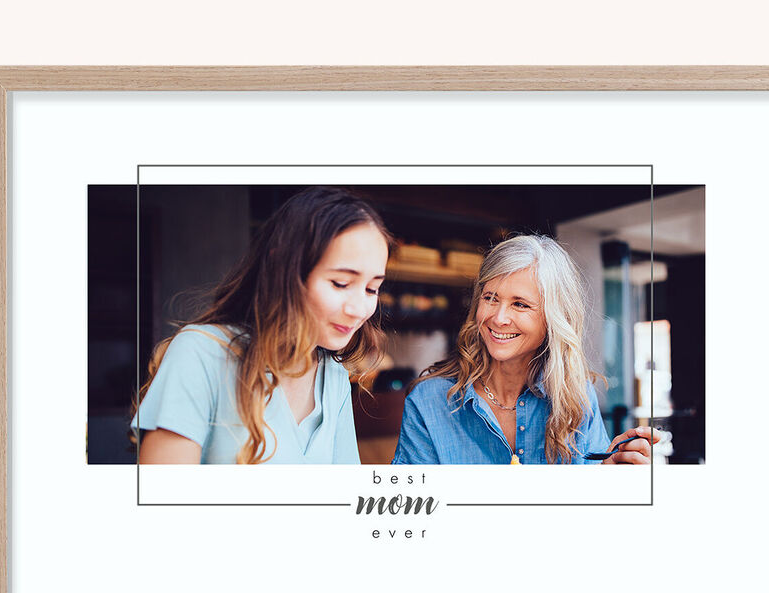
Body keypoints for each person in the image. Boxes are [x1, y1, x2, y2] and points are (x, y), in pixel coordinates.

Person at [132, 187, 390, 464]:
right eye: (340, 284)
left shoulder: (334, 377)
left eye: (372, 289)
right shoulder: (201, 353)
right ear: (285, 268)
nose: (358, 309)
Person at [391, 234, 660, 465]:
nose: (498, 318)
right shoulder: (428, 401)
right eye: (490, 298)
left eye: (520, 304)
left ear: (554, 318)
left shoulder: (576, 396)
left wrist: (608, 475)